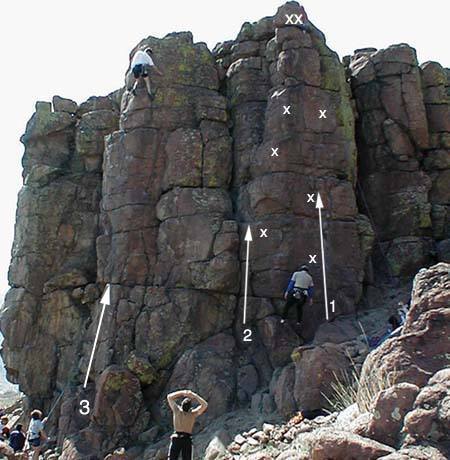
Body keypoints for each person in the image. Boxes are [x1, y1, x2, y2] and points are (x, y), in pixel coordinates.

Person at [167, 389, 208, 460]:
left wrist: (183, 392)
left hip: (176, 437)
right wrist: (194, 395)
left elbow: (169, 397)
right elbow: (205, 405)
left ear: (181, 405)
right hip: (186, 439)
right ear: (190, 408)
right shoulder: (192, 414)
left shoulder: (177, 411)